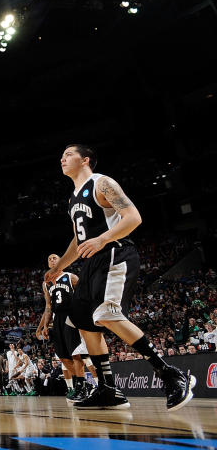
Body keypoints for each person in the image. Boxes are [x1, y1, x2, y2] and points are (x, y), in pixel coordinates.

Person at [46, 144, 194, 411]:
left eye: (68, 154)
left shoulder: (101, 183)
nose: (62, 158)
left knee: (105, 315)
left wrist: (102, 239)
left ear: (85, 159)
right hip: (91, 264)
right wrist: (60, 268)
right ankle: (108, 389)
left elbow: (133, 217)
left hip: (115, 253)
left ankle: (170, 373)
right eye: (62, 155)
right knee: (84, 322)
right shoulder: (73, 198)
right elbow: (77, 240)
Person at [35, 253, 93, 404]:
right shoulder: (46, 284)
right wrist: (45, 326)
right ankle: (84, 384)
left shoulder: (70, 276)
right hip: (57, 319)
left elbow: (84, 295)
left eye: (55, 257)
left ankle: (81, 385)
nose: (52, 259)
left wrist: (83, 315)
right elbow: (48, 306)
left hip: (71, 316)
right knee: (63, 357)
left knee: (76, 354)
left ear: (62, 261)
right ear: (48, 264)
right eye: (49, 258)